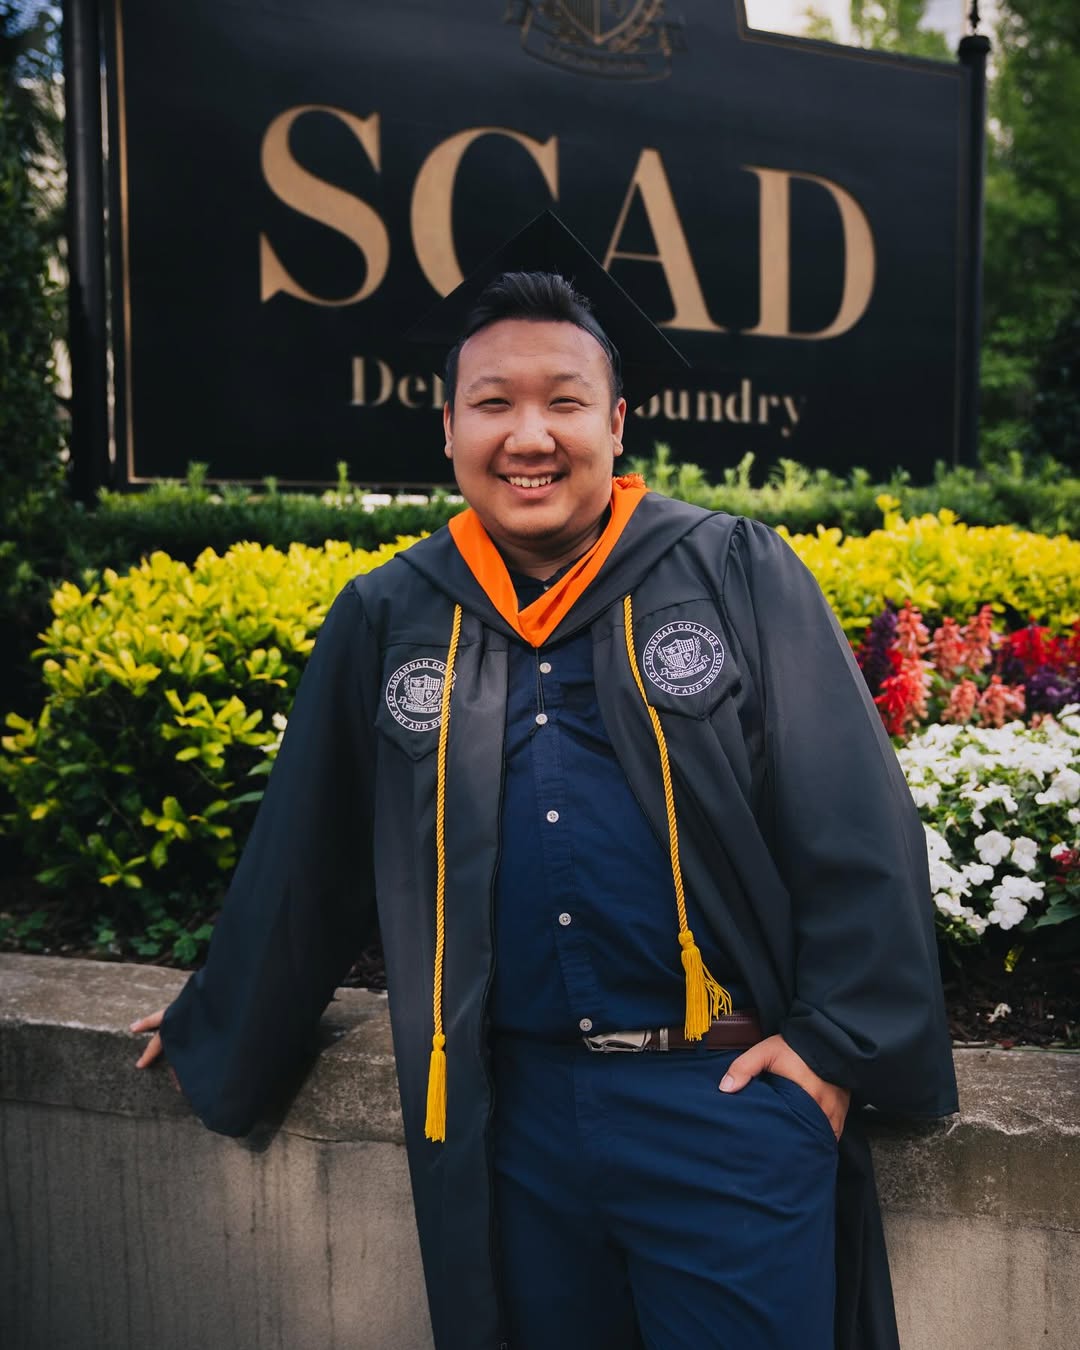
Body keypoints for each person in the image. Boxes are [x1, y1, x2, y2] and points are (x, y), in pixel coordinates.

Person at [133, 213, 958, 1350]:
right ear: (449, 427)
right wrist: (219, 1018)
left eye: (565, 402)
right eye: (494, 404)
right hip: (506, 1123)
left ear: (615, 423)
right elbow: (306, 856)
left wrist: (834, 1047)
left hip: (721, 1104)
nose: (530, 435)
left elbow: (852, 819)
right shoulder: (390, 614)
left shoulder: (730, 570)